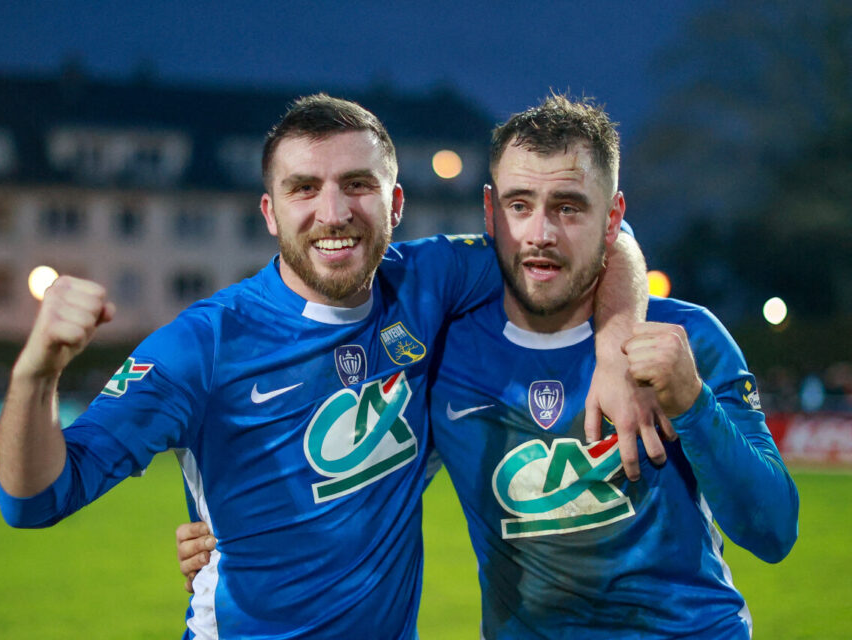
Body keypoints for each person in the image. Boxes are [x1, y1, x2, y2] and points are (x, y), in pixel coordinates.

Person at [0, 94, 650, 639]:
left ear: (395, 205)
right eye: (304, 188)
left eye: (357, 186)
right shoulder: (205, 344)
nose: (333, 213)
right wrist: (36, 375)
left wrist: (617, 345)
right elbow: (36, 499)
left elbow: (604, 239)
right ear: (270, 213)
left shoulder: (430, 283)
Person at [177, 95, 800, 638]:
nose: (540, 232)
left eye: (570, 207)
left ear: (613, 218)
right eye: (519, 204)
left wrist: (689, 401)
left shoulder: (686, 340)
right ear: (488, 212)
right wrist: (227, 534)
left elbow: (773, 532)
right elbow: (338, 462)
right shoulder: (443, 348)